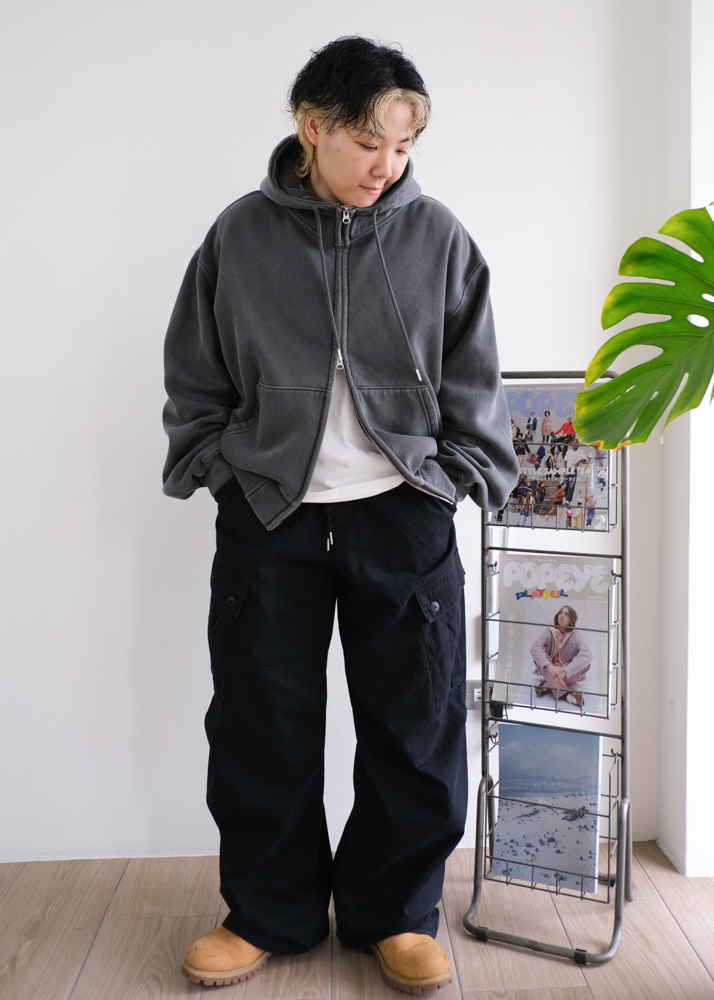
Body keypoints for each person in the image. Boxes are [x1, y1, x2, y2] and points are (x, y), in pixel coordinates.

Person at [161, 37, 518, 993]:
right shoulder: (240, 235)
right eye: (368, 142)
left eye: (403, 146)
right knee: (261, 723)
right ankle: (266, 913)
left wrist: (451, 478)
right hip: (270, 514)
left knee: (415, 723)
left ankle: (395, 913)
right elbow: (194, 370)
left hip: (403, 514)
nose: (386, 165)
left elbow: (477, 374)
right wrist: (217, 467)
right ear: (311, 127)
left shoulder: (437, 235)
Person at [530, 605, 592, 707]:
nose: (562, 615)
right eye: (561, 612)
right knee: (540, 659)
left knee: (586, 664)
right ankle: (565, 694)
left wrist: (566, 671)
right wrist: (551, 667)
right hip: (550, 669)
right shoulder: (550, 629)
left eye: (566, 614)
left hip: (566, 675)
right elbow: (535, 648)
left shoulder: (576, 635)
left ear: (571, 619)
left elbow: (587, 655)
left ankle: (549, 683)